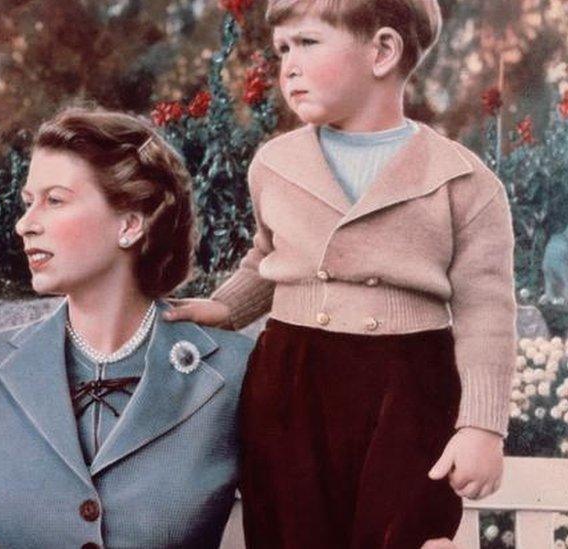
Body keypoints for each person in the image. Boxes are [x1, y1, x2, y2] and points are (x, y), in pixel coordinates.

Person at [164, 1, 515, 547]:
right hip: (292, 379)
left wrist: (482, 427)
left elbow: (486, 310)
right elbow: (268, 257)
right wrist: (227, 307)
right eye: (282, 49)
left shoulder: (464, 181)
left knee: (405, 534)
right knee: (290, 531)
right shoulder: (275, 164)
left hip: (410, 387)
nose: (287, 66)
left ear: (382, 51)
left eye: (306, 43)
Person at [0, 107, 255, 549]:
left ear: (130, 225)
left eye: (54, 200)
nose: (25, 224)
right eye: (27, 202)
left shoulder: (233, 371)